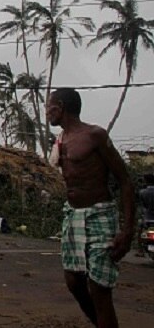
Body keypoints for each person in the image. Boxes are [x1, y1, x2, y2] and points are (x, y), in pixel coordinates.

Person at [46, 87, 134, 328]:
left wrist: (127, 232)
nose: (47, 113)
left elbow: (125, 181)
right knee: (74, 281)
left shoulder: (94, 135)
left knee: (99, 288)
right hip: (73, 215)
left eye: (49, 107)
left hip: (100, 214)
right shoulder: (60, 141)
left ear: (61, 107)